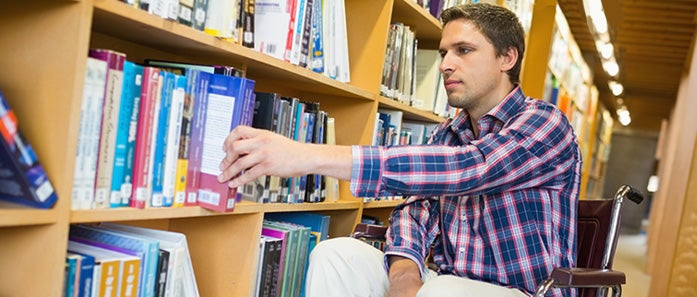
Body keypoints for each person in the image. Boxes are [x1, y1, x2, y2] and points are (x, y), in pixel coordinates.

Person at [218, 3, 580, 297]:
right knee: (336, 254)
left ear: (507, 58)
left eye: (464, 51)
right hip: (443, 282)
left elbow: (469, 169)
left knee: (444, 292)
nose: (445, 65)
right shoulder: (448, 133)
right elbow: (413, 209)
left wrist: (306, 156)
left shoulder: (546, 124)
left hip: (525, 291)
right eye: (443, 53)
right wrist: (404, 272)